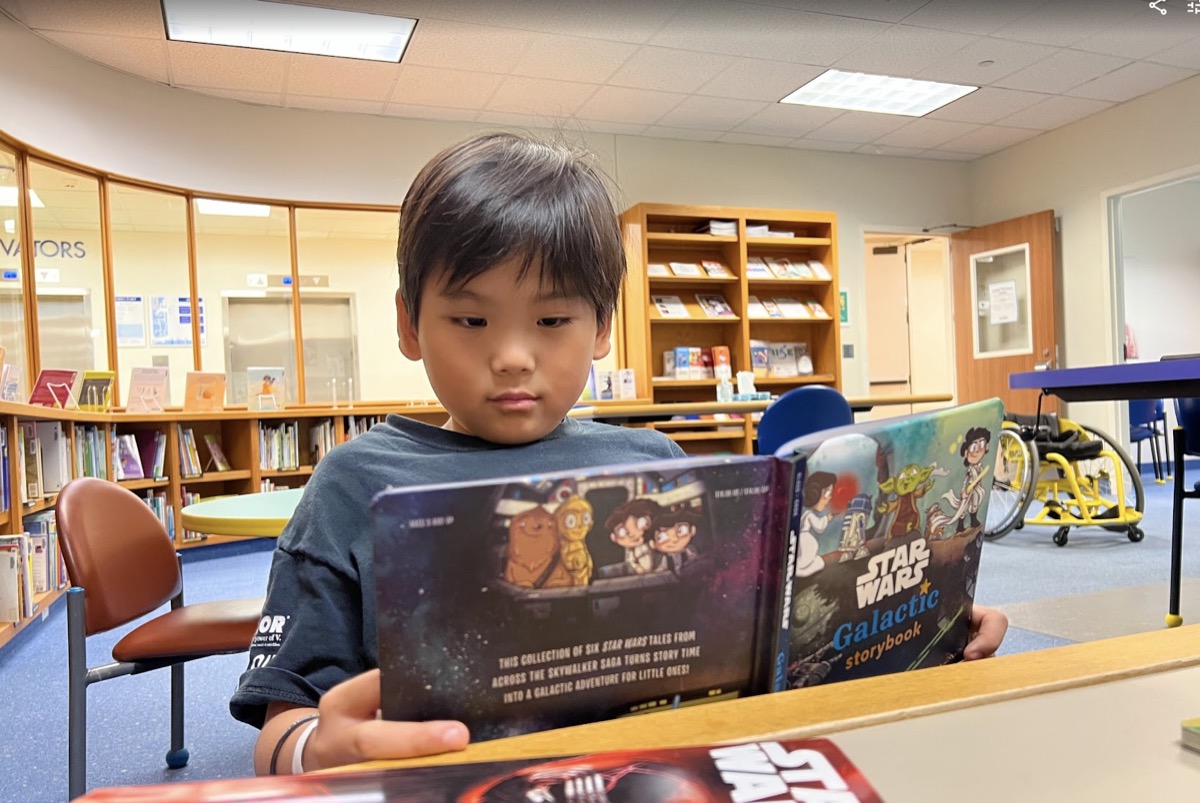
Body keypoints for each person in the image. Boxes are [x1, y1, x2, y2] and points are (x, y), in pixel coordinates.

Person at [230, 131, 1010, 776]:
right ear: (409, 324)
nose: (512, 355)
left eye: (552, 321)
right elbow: (282, 725)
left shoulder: (654, 462)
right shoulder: (355, 484)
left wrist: (917, 617)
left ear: (602, 325)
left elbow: (759, 651)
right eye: (470, 320)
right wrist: (314, 746)